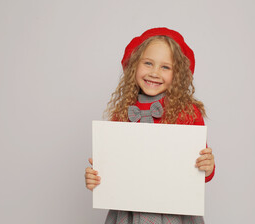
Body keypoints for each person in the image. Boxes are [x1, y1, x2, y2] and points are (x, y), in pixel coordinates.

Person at [85, 27, 216, 224]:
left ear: (178, 74)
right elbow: (113, 171)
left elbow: (201, 175)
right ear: (134, 66)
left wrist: (208, 166)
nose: (154, 73)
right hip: (128, 213)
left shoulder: (188, 113)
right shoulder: (121, 113)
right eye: (148, 63)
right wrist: (97, 177)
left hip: (175, 214)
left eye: (165, 67)